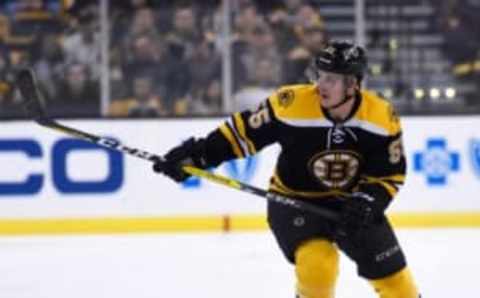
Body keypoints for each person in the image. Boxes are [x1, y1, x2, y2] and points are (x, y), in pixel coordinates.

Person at [152, 40, 420, 298]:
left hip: (351, 207)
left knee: (399, 286)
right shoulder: (291, 104)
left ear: (353, 85)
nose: (320, 85)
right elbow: (241, 134)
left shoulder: (381, 117)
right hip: (295, 201)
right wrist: (196, 156)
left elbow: (389, 174)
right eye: (320, 75)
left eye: (331, 79)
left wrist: (366, 202)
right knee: (319, 266)